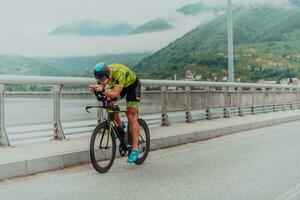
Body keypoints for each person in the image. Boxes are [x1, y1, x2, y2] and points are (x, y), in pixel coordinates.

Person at [89, 63, 141, 163]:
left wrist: (103, 89)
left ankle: (135, 148)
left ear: (108, 74)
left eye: (104, 79)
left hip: (132, 86)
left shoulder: (119, 73)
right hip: (120, 86)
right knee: (109, 103)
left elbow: (115, 94)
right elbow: (104, 91)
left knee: (131, 115)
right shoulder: (100, 76)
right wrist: (95, 90)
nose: (102, 81)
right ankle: (121, 126)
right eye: (100, 80)